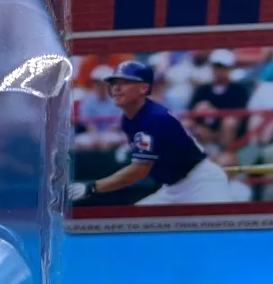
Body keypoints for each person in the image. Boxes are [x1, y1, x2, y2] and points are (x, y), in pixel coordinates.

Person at [67, 60, 232, 205]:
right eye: (114, 83)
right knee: (134, 225)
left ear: (144, 88)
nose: (116, 88)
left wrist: (93, 187)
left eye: (125, 82)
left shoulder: (153, 118)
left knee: (215, 229)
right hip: (172, 188)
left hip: (200, 181)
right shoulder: (128, 119)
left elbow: (140, 170)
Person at [187, 48, 250, 148]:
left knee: (229, 122)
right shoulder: (202, 89)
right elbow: (190, 112)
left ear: (230, 68)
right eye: (216, 67)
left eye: (223, 67)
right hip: (202, 130)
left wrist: (214, 113)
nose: (219, 71)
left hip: (225, 132)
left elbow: (239, 115)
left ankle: (227, 150)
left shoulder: (238, 90)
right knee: (188, 121)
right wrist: (197, 125)